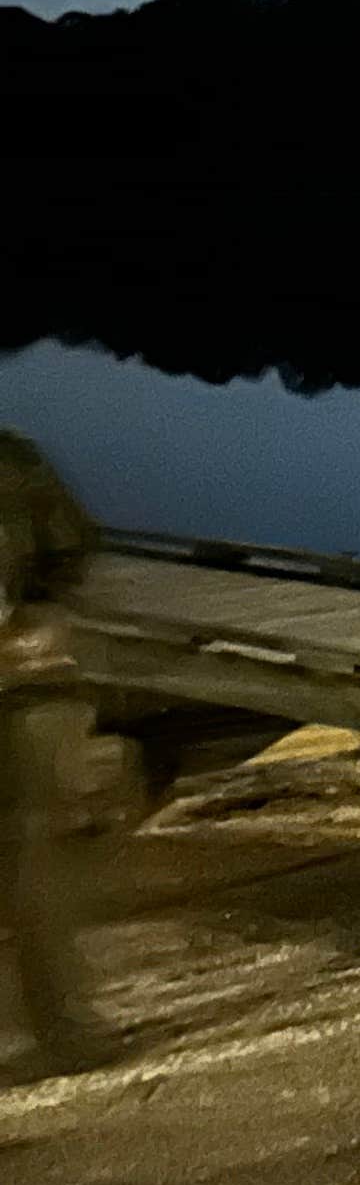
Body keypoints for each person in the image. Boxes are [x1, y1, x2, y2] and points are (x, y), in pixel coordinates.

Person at [1, 428, 115, 1067]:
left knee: (37, 865)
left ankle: (64, 1028)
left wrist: (40, 613)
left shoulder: (12, 460)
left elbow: (71, 545)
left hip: (25, 693)